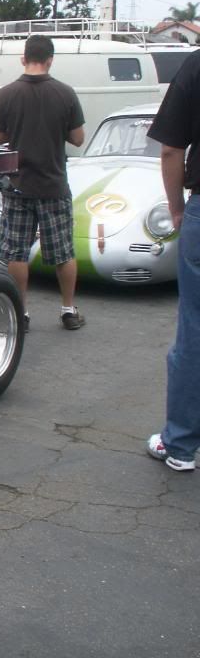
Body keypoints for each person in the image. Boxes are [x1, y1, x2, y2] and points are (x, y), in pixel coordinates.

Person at [0, 34, 86, 331]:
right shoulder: (65, 93)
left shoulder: (6, 93)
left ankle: (21, 312)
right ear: (50, 60)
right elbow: (78, 139)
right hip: (54, 185)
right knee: (63, 251)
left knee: (17, 252)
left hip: (18, 185)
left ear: (23, 58)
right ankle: (68, 310)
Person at [146, 49, 200, 472]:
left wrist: (176, 208)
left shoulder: (196, 65)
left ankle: (180, 445)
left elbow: (171, 150)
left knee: (195, 331)